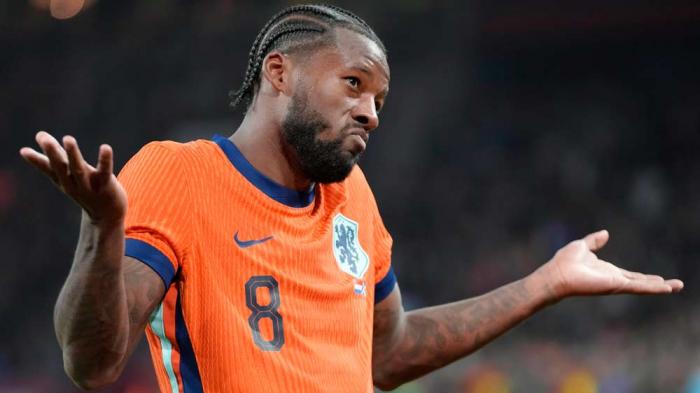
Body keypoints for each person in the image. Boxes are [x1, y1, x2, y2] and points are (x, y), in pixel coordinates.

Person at [19, 4, 683, 392]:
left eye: (380, 100)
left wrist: (543, 284)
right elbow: (93, 362)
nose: (371, 111)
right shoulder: (179, 172)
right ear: (279, 73)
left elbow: (387, 350)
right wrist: (101, 230)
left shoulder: (351, 198)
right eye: (354, 83)